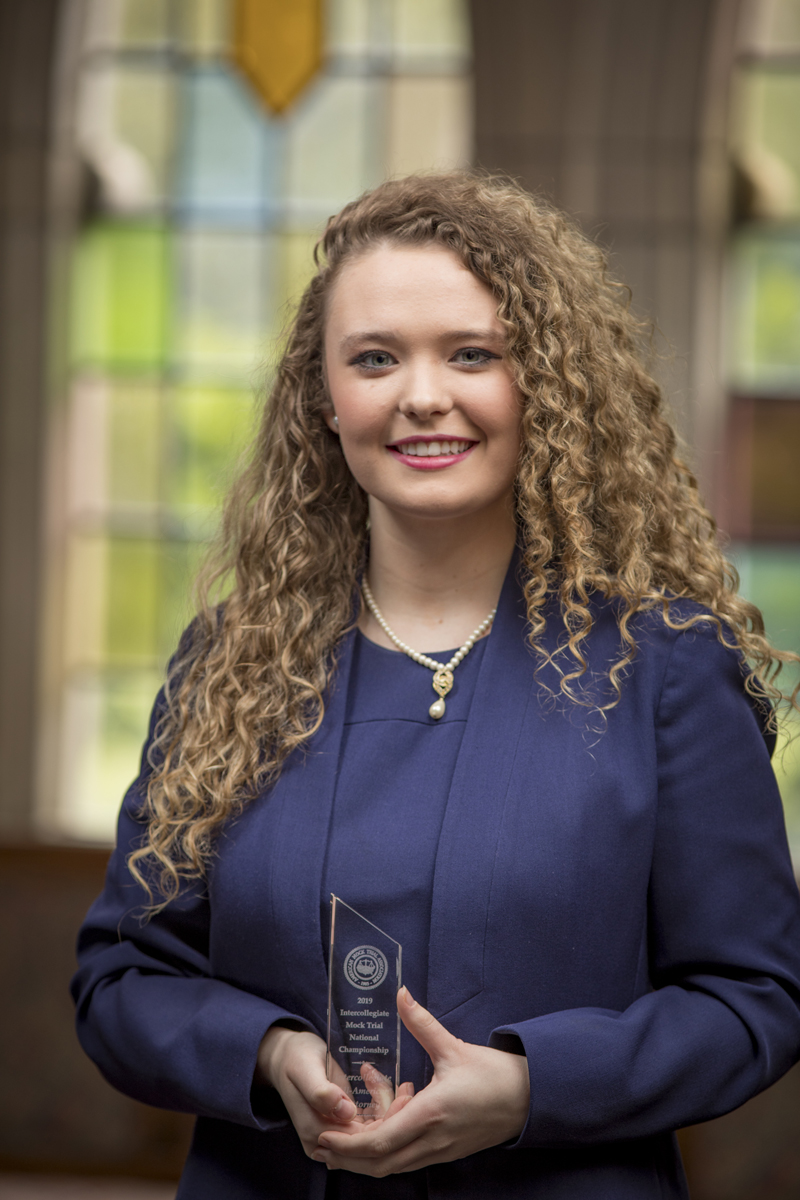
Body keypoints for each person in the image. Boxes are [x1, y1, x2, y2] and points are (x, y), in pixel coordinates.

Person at [72, 172, 800, 1200]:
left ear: (538, 381)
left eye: (472, 354)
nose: (421, 395)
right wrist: (270, 1054)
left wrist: (529, 1087)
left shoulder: (661, 668)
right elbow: (120, 979)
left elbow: (750, 1000)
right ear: (323, 398)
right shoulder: (229, 665)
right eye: (374, 358)